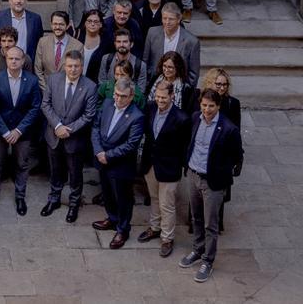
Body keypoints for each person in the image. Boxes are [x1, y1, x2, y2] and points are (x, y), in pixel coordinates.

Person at [181, 87, 243, 282]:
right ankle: (197, 250)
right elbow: (189, 143)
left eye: (211, 106)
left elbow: (237, 155)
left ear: (218, 106)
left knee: (211, 224)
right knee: (196, 217)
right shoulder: (194, 119)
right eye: (204, 105)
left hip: (213, 182)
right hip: (193, 174)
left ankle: (208, 260)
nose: (207, 110)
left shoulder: (228, 128)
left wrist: (221, 172)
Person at [40, 51, 97, 223]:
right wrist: (57, 126)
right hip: (54, 136)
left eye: (76, 66)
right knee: (55, 171)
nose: (73, 70)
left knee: (75, 174)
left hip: (75, 139)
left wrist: (68, 129)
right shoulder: (53, 80)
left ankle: (74, 203)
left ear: (82, 66)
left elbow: (88, 115)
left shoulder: (90, 86)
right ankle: (54, 199)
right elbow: (45, 104)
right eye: (70, 66)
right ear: (64, 65)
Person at [0, 46, 42, 215]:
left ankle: (20, 196)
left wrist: (18, 131)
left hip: (22, 132)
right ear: (6, 60)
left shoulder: (31, 81)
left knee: (22, 164)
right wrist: (5, 131)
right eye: (10, 58)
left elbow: (35, 108)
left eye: (17, 59)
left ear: (23, 61)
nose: (14, 61)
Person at [138, 80, 192, 257]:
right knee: (154, 198)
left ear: (172, 96)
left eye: (163, 97)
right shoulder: (150, 108)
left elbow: (185, 146)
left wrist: (181, 166)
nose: (160, 100)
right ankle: (154, 228)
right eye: (158, 96)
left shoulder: (182, 118)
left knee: (166, 204)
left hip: (169, 167)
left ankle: (167, 238)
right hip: (151, 163)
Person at [91, 78, 145, 249]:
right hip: (102, 159)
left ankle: (123, 229)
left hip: (120, 164)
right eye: (116, 94)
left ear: (131, 97)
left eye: (123, 96)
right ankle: (112, 218)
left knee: (123, 198)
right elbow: (95, 128)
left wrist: (108, 155)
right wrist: (99, 151)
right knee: (106, 193)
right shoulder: (107, 103)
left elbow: (131, 144)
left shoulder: (137, 116)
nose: (118, 99)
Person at [142, 3, 201, 86]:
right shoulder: (152, 33)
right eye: (164, 18)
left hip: (179, 88)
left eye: (171, 19)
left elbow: (193, 74)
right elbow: (145, 61)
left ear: (179, 19)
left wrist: (186, 92)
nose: (167, 22)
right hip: (154, 85)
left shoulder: (192, 41)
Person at [34, 11, 84, 89]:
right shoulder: (42, 42)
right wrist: (46, 90)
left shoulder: (78, 46)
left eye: (61, 24)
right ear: (51, 25)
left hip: (67, 91)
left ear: (67, 26)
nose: (57, 27)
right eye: (55, 24)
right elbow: (38, 70)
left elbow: (77, 72)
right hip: (45, 90)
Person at [75, 9, 106, 79]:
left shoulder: (105, 43)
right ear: (85, 23)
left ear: (101, 24)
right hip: (76, 80)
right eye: (89, 21)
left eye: (96, 21)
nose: (92, 24)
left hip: (95, 83)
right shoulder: (77, 37)